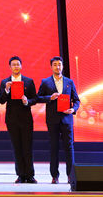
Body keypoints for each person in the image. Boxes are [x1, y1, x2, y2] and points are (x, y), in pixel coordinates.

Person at [37, 56, 81, 184]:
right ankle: (54, 176)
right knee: (53, 148)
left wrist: (73, 109)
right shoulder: (45, 82)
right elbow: (38, 97)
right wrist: (49, 98)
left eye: (59, 64)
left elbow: (76, 100)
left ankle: (70, 175)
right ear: (51, 67)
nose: (58, 67)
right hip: (53, 120)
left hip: (67, 119)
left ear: (62, 66)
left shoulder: (69, 82)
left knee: (69, 147)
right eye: (55, 64)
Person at [0, 56, 38, 184]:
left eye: (18, 64)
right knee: (16, 148)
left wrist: (27, 101)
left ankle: (30, 175)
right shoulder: (5, 82)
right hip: (12, 119)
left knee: (28, 147)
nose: (16, 66)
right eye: (13, 64)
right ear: (10, 67)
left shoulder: (29, 81)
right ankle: (21, 175)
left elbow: (34, 99)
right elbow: (1, 100)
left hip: (26, 118)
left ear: (21, 66)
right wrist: (6, 90)